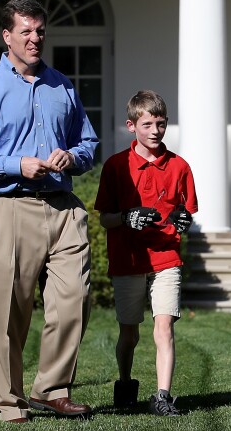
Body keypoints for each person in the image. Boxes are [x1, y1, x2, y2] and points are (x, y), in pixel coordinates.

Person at [0, 0, 98, 423]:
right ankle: (8, 401)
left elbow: (87, 143)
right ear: (7, 36)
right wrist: (16, 164)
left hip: (62, 207)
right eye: (26, 32)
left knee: (75, 298)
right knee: (7, 313)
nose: (35, 39)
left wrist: (73, 156)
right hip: (7, 206)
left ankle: (50, 389)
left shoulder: (62, 86)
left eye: (40, 32)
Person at [94, 90, 198, 417]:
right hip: (129, 260)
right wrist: (126, 217)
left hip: (167, 257)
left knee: (164, 326)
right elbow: (104, 218)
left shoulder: (179, 166)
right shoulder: (115, 166)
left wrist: (184, 220)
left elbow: (186, 213)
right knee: (129, 332)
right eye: (148, 124)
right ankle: (125, 383)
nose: (155, 131)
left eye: (161, 123)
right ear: (131, 125)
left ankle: (162, 396)